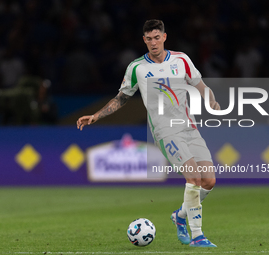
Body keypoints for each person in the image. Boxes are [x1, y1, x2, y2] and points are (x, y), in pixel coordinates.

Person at [77, 19, 220, 248]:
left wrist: (211, 100)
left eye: (157, 37)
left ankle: (180, 216)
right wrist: (96, 115)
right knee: (193, 179)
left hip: (189, 127)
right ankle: (197, 235)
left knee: (209, 181)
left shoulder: (181, 59)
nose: (153, 43)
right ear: (144, 40)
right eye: (149, 39)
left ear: (164, 37)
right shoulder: (137, 68)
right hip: (165, 131)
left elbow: (199, 84)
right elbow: (121, 97)